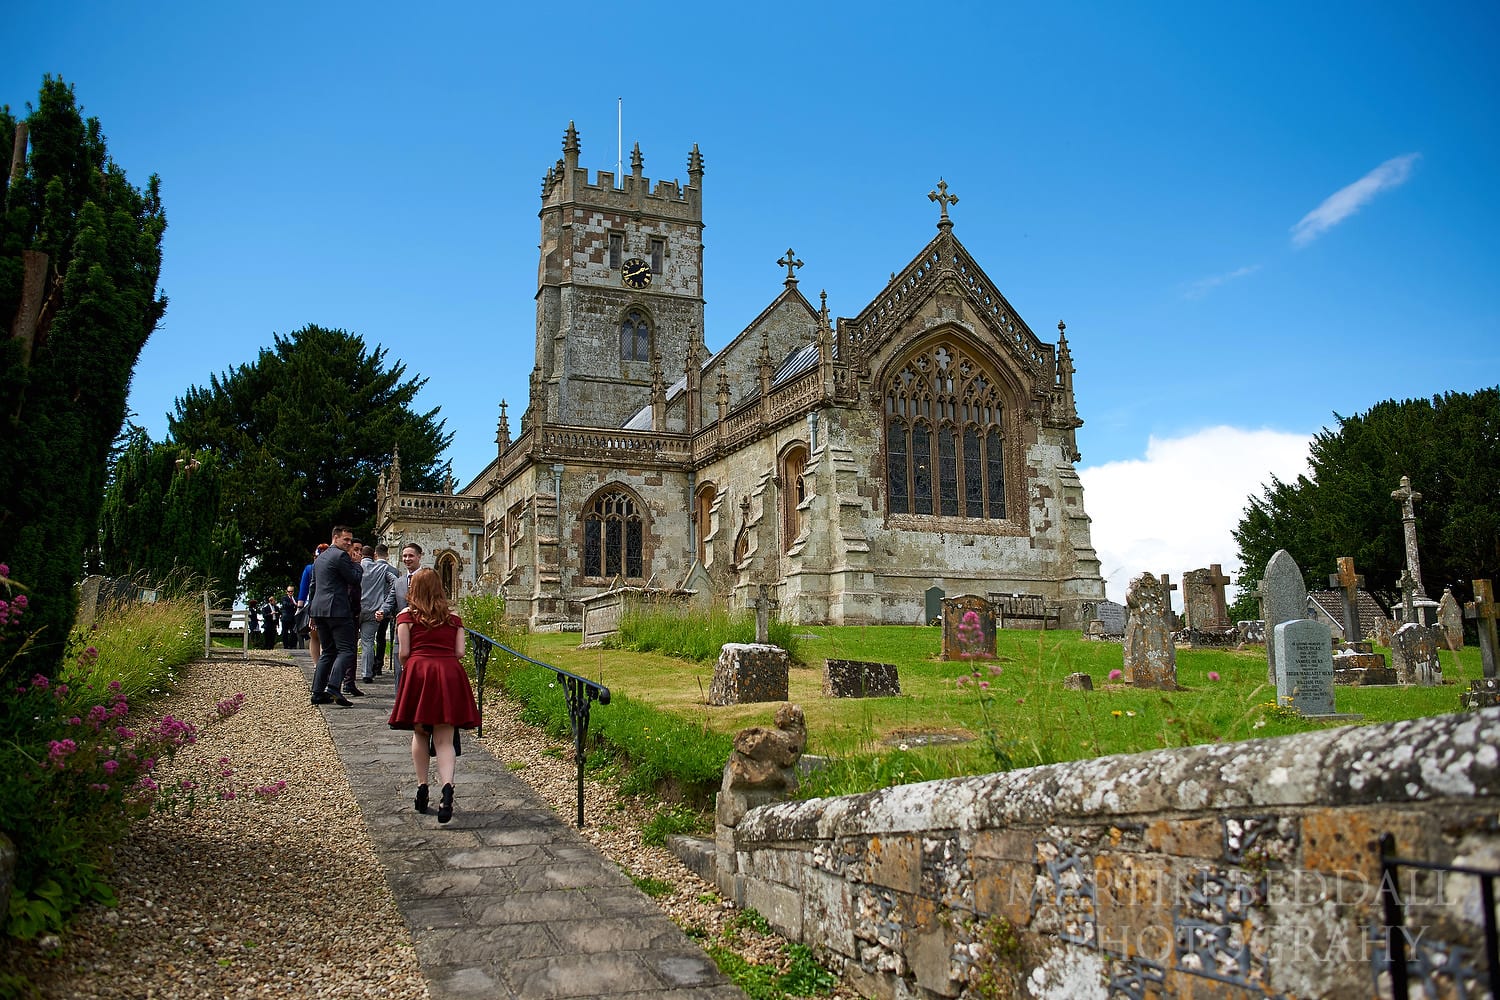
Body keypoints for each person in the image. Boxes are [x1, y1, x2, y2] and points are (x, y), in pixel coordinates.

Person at [388, 567, 480, 824]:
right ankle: (447, 790)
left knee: (420, 732)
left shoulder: (406, 617)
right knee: (444, 738)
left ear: (413, 588)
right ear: (440, 588)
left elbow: (403, 653)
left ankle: (422, 788)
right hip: (448, 673)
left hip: (419, 671)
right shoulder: (453, 618)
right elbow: (460, 652)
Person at [309, 526, 363, 707]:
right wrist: (357, 564)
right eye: (346, 540)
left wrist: (311, 612)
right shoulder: (340, 556)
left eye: (350, 540)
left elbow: (313, 586)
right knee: (347, 649)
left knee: (329, 651)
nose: (349, 544)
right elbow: (354, 579)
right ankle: (333, 686)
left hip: (319, 610)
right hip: (337, 610)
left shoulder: (319, 559)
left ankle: (317, 692)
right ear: (335, 538)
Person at [358, 541, 397, 684]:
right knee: (368, 641)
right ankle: (367, 673)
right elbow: (395, 582)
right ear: (373, 556)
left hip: (356, 609)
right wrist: (386, 602)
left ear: (362, 555)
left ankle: (347, 674)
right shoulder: (381, 568)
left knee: (349, 642)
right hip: (374, 610)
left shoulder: (357, 567)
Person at [391, 542, 423, 690]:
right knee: (399, 669)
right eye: (404, 556)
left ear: (419, 556)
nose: (407, 559)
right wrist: (381, 611)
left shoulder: (428, 578)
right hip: (401, 630)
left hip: (422, 630)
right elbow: (390, 600)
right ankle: (399, 701)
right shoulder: (399, 581)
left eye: (410, 555)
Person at [298, 543, 329, 662]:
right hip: (328, 606)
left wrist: (299, 608)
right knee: (326, 638)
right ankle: (325, 665)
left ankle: (317, 664)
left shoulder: (309, 569)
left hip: (313, 606)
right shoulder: (332, 568)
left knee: (314, 637)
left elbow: (303, 590)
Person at [370, 544, 397, 675]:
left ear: (375, 554)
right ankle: (378, 665)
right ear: (387, 555)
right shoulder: (394, 570)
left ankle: (370, 665)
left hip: (371, 607)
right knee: (381, 637)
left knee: (369, 638)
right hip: (386, 608)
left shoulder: (371, 569)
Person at [279, 585, 299, 650]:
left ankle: (293, 645)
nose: (290, 593)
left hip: (293, 618)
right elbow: (285, 604)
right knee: (285, 632)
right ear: (287, 592)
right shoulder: (284, 598)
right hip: (286, 618)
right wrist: (294, 604)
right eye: (289, 591)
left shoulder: (296, 599)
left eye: (291, 591)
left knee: (293, 632)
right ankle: (286, 646)